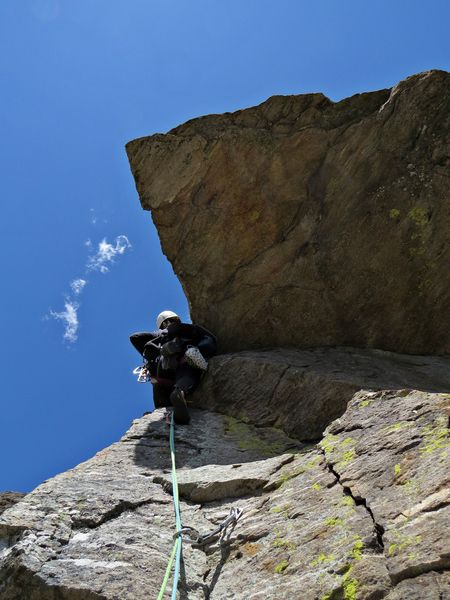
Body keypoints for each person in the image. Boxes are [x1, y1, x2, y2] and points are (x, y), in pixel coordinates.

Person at [130, 310, 217, 424]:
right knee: (187, 371)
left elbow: (134, 337)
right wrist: (203, 350)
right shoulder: (185, 327)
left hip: (161, 370)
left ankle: (161, 410)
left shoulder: (159, 335)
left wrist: (156, 352)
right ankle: (179, 391)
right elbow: (209, 339)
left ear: (162, 324)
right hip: (182, 359)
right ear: (175, 319)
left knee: (158, 385)